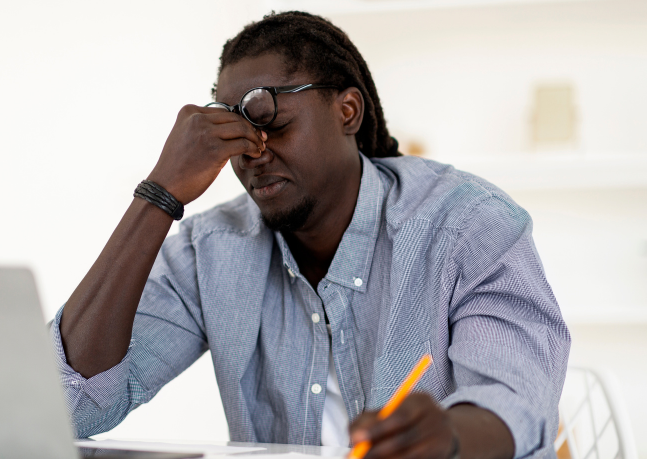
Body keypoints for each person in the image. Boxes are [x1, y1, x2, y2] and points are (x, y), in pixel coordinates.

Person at [52, 11, 570, 459]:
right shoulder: (209, 250)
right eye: (229, 129)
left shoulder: (466, 224)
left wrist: (449, 438)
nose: (250, 151)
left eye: (267, 117)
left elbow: (517, 403)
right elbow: (70, 407)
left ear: (347, 111)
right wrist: (159, 194)